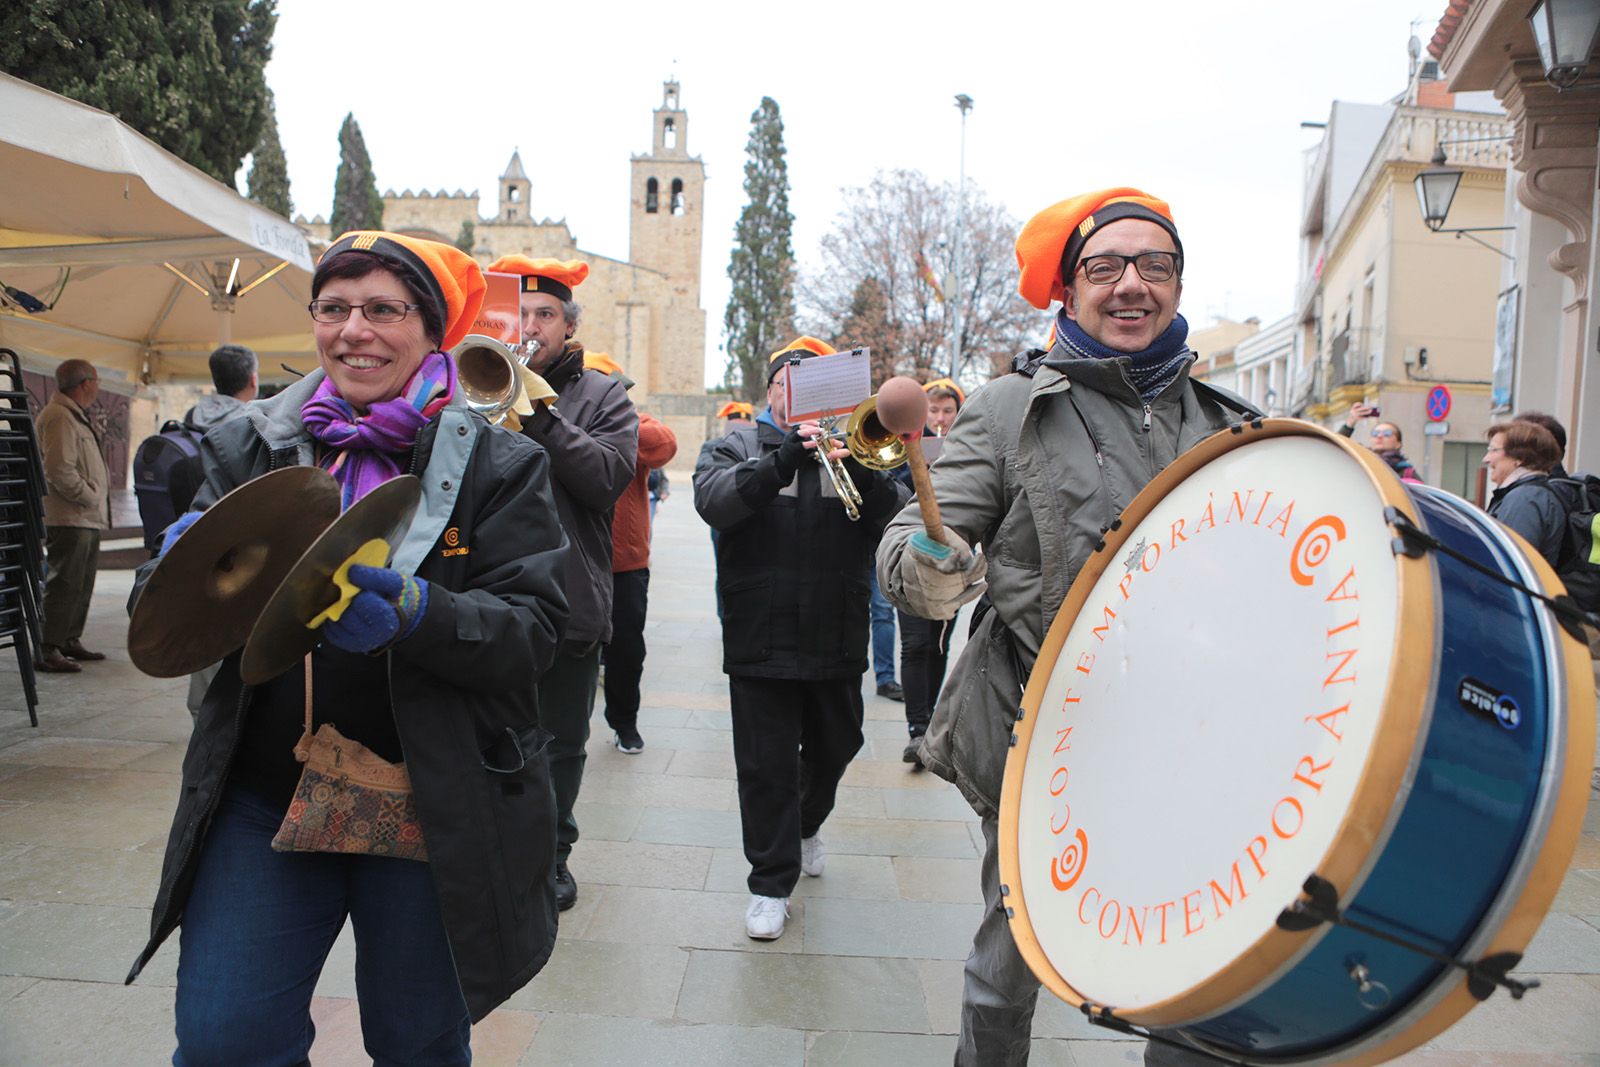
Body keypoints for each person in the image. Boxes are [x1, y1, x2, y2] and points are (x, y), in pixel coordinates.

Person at [125, 231, 571, 1066]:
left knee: (418, 1044)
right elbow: (174, 621)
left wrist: (420, 614)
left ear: (431, 328)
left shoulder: (502, 463)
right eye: (333, 308)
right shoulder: (248, 444)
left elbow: (540, 631)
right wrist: (173, 571)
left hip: (432, 797)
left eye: (382, 309)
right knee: (226, 1040)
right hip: (262, 790)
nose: (353, 329)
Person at [878, 188, 1254, 1066]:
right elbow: (914, 550)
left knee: (1196, 961)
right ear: (1069, 290)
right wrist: (934, 564)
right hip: (1047, 736)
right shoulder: (1012, 407)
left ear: (1177, 283)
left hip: (1192, 741)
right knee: (1010, 959)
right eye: (1106, 267)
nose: (1132, 284)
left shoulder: (1229, 424)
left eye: (1154, 265)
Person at [694, 336, 909, 941]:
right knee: (764, 767)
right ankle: (769, 884)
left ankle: (806, 824)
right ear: (773, 390)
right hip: (759, 633)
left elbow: (892, 520)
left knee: (839, 744)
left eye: (818, 383)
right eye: (793, 380)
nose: (802, 392)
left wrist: (858, 469)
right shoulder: (733, 444)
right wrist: (782, 460)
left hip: (835, 630)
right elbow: (716, 502)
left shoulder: (859, 449)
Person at [486, 254, 638, 912]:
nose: (530, 325)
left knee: (561, 743)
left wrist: (537, 412)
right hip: (488, 589)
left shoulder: (603, 395)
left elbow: (607, 478)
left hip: (568, 594)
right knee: (490, 732)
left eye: (544, 314)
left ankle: (551, 854)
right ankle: (496, 849)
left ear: (568, 327)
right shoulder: (472, 382)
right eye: (518, 314)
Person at [585, 351, 679, 754]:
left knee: (627, 651)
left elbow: (666, 445)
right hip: (572, 560)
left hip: (625, 566)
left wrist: (620, 419)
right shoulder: (557, 420)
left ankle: (625, 722)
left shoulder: (632, 428)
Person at [896, 377, 967, 767]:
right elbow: (891, 492)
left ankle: (930, 721)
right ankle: (916, 728)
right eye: (933, 411)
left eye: (947, 411)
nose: (939, 418)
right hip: (911, 556)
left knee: (938, 641)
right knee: (914, 644)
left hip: (952, 560)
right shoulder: (905, 444)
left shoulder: (969, 447)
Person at [35, 358, 110, 673]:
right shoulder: (59, 417)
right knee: (65, 583)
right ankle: (48, 646)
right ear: (85, 383)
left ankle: (68, 640)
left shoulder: (72, 415)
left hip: (84, 516)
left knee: (81, 582)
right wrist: (90, 496)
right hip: (70, 516)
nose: (98, 386)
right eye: (96, 379)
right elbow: (58, 470)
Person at [1484, 419, 1566, 567]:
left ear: (1519, 458)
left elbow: (1512, 565)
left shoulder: (1525, 499)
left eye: (1493, 450)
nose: (1486, 459)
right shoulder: (1530, 493)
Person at [1338, 402, 1421, 482]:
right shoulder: (1362, 459)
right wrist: (1351, 421)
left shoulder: (1407, 472)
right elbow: (1337, 444)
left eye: (1387, 434)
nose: (1379, 436)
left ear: (1398, 444)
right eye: (1375, 433)